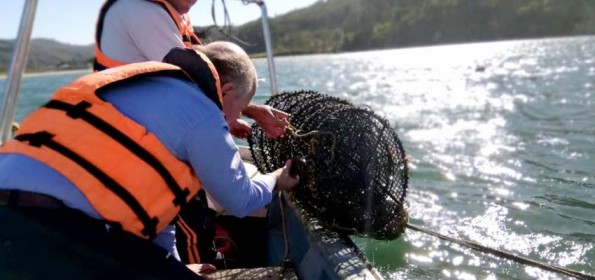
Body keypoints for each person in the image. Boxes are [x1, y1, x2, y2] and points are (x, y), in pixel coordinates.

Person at [0, 42, 299, 279]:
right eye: (243, 107)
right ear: (227, 91)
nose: (234, 118)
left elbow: (157, 216)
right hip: (51, 229)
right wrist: (275, 179)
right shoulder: (203, 112)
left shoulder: (134, 81)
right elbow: (240, 200)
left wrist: (172, 265)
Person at [93, 0, 288, 266]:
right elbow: (197, 84)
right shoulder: (142, 12)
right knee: (190, 218)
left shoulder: (168, 16)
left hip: (136, 146)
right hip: (131, 154)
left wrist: (239, 112)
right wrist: (276, 178)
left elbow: (205, 83)